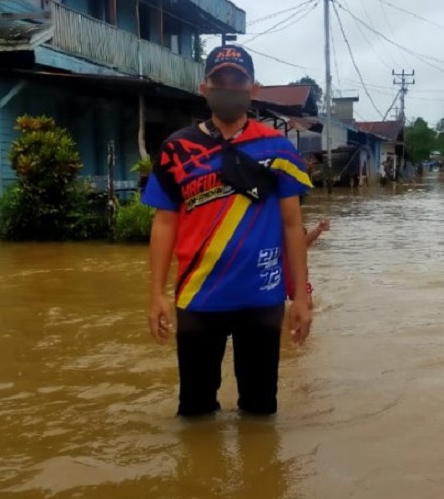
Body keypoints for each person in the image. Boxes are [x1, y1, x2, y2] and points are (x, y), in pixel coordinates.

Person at [143, 45, 313, 417]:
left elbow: (292, 226)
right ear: (204, 87)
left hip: (262, 297)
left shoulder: (278, 148)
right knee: (196, 411)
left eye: (238, 80)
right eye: (220, 79)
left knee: (260, 411)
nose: (229, 86)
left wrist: (301, 296)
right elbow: (164, 223)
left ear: (253, 88)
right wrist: (156, 293)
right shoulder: (177, 149)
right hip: (198, 297)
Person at [285, 217, 329, 310]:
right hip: (284, 283)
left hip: (299, 281)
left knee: (308, 305)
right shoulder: (282, 248)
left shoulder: (300, 246)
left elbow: (309, 239)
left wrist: (318, 229)